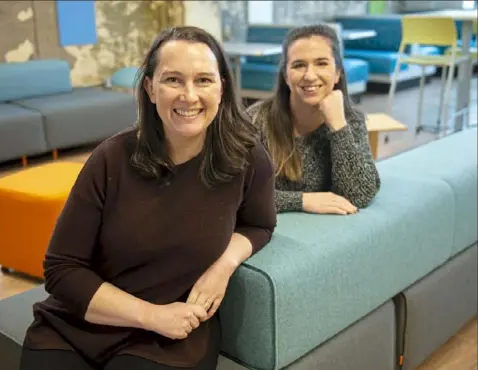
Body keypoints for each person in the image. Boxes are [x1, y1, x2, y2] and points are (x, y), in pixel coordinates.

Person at [19, 26, 276, 370]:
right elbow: (62, 269)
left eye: (203, 80)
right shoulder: (110, 158)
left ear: (222, 88)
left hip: (169, 340)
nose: (189, 95)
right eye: (173, 80)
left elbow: (260, 224)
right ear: (150, 88)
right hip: (81, 324)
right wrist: (150, 316)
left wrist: (224, 265)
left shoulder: (245, 156)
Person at [247, 24, 380, 215]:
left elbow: (359, 195)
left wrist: (338, 128)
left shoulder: (350, 120)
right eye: (299, 65)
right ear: (286, 75)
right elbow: (236, 194)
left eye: (321, 63)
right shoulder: (257, 119)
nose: (310, 75)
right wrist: (302, 201)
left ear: (337, 73)